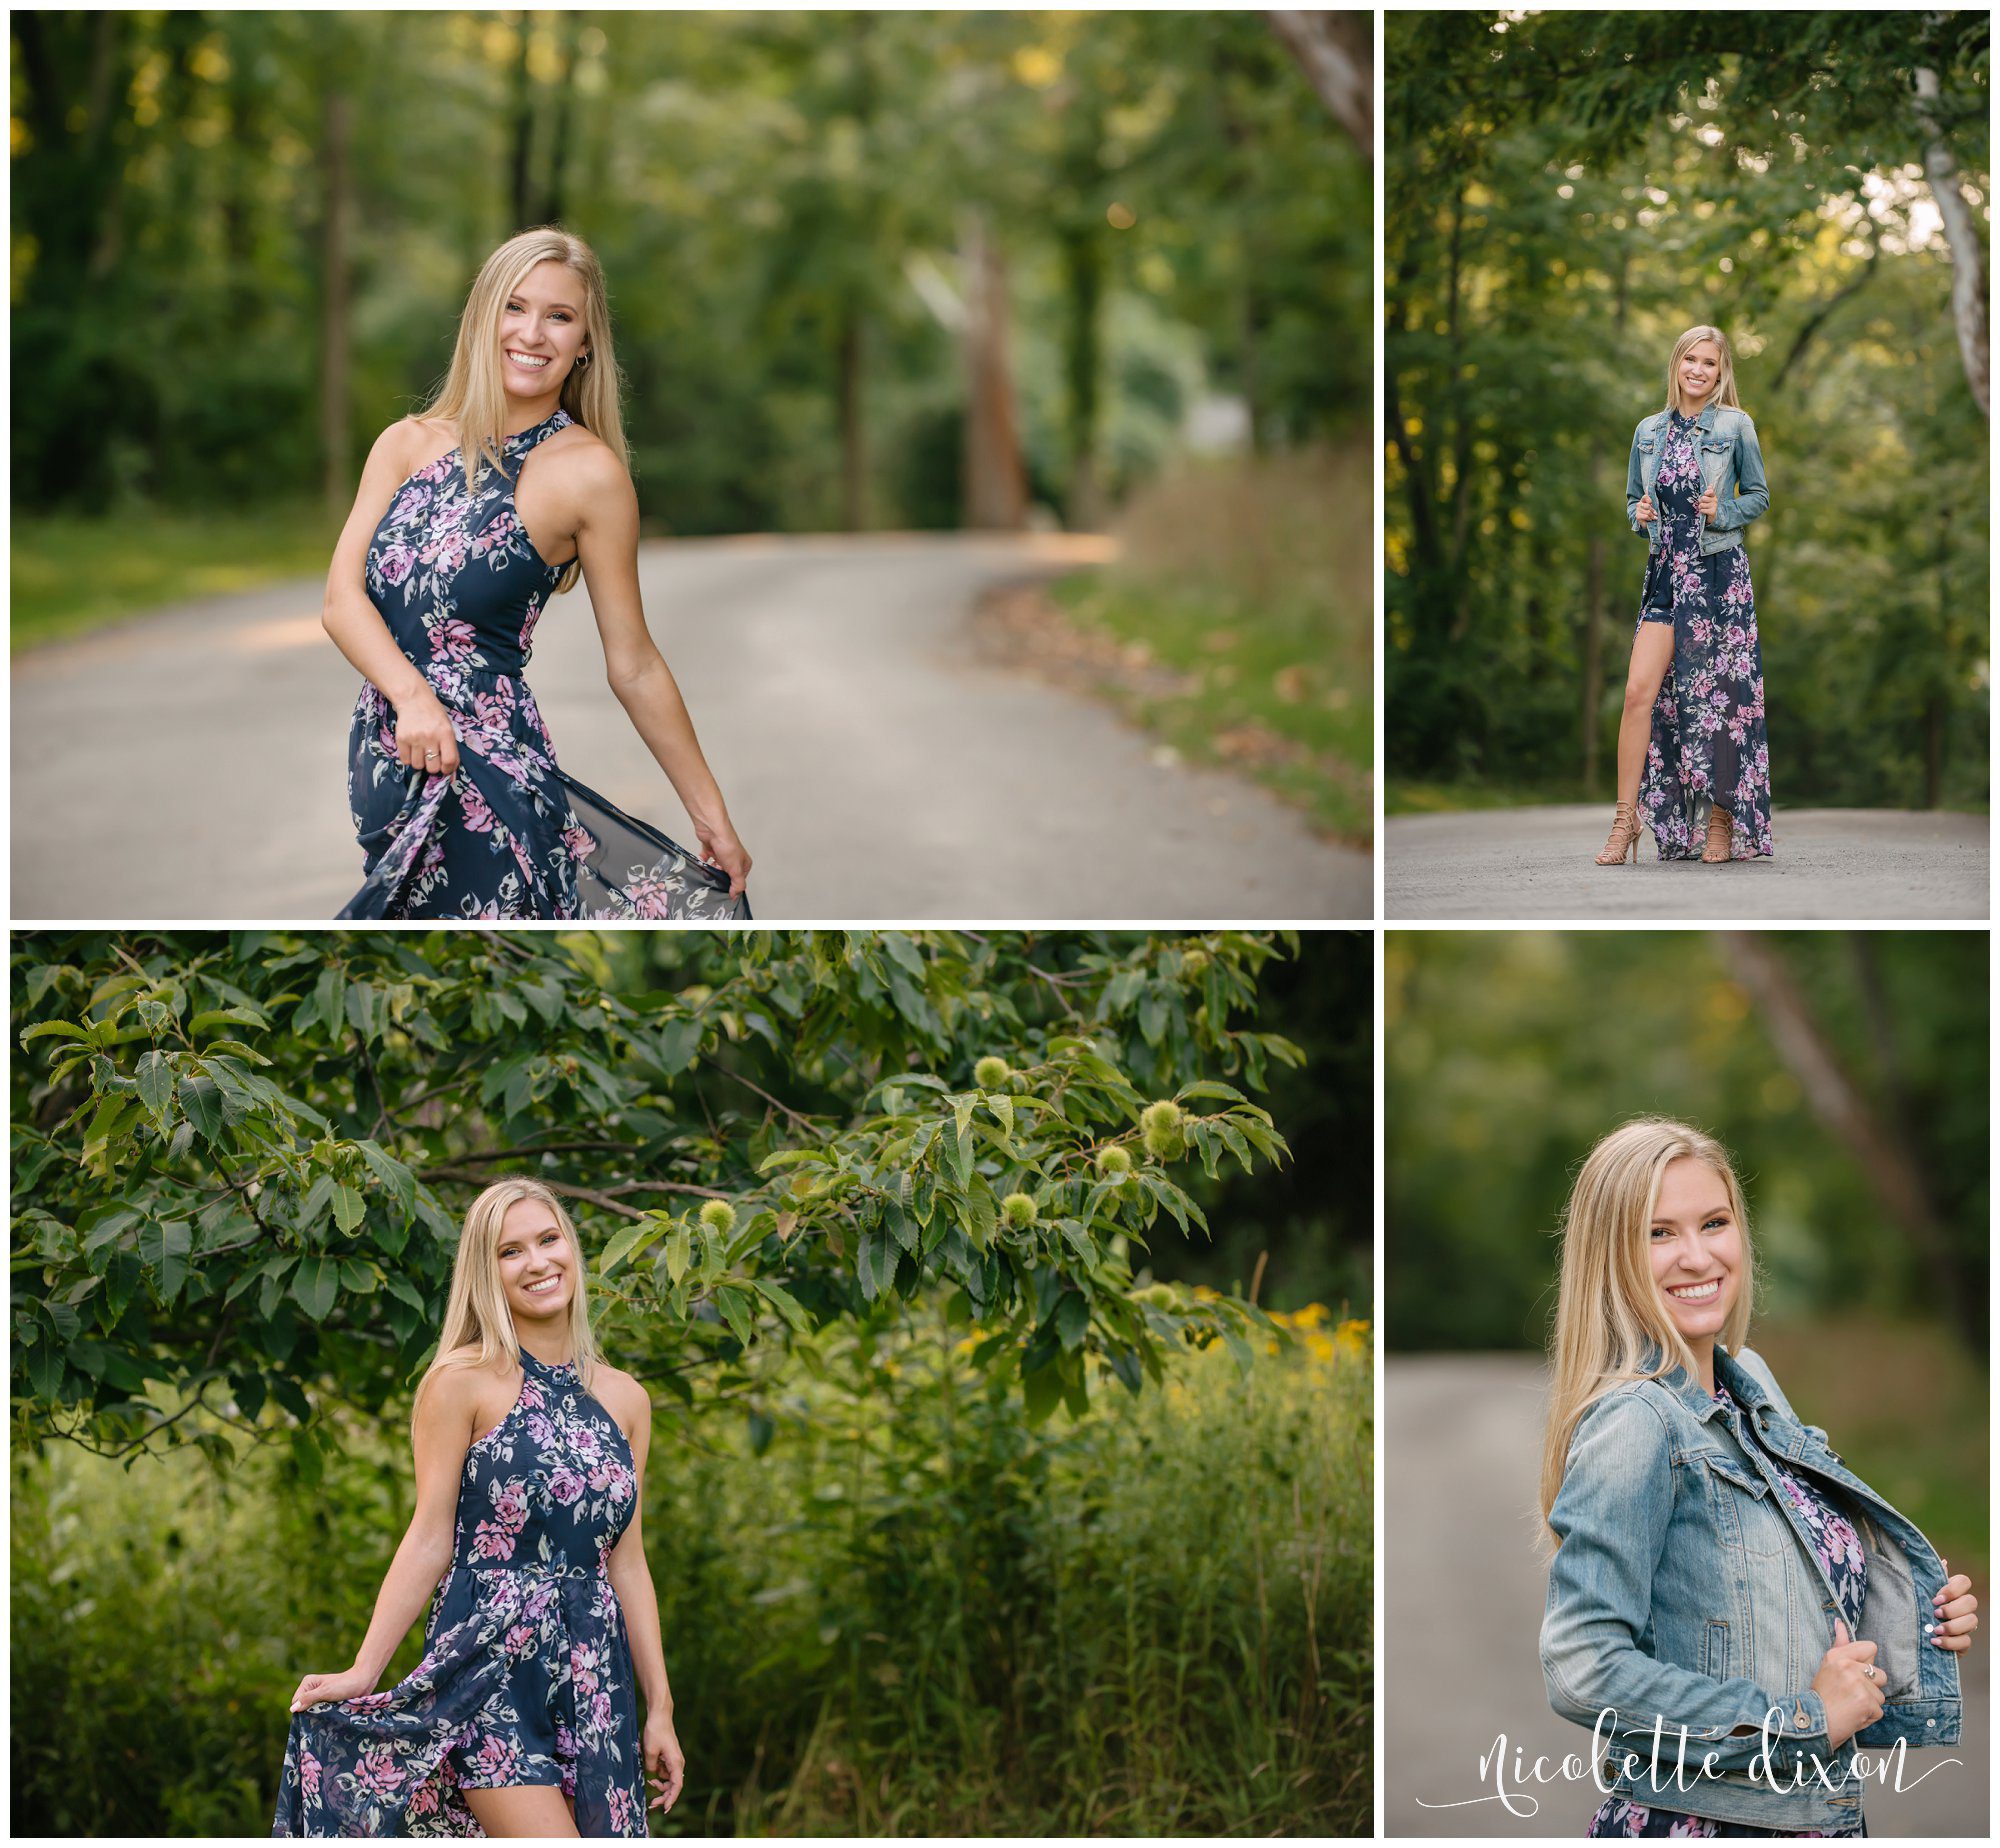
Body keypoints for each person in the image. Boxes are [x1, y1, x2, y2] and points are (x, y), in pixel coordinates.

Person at [1539, 1119, 1975, 1837]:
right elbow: (1582, 1664)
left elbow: (1774, 1609)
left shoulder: (1752, 1391)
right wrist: (1797, 1724)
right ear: (1610, 1257)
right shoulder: (1636, 1422)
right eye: (1658, 1234)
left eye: (1714, 1222)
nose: (1697, 1255)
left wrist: (1919, 1616)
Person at [323, 226, 752, 919]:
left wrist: (711, 816)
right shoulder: (404, 444)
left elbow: (634, 664)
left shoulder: (590, 475)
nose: (534, 333)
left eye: (560, 317)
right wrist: (411, 697)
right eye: (515, 308)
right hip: (392, 756)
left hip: (488, 772)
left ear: (585, 344)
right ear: (483, 319)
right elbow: (342, 601)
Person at [273, 1179, 684, 1837]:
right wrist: (363, 1669)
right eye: (510, 1251)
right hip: (489, 1664)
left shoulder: (626, 1400)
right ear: (485, 1271)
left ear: (572, 1248)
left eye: (549, 1240)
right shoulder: (460, 1382)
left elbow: (627, 1564)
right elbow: (431, 1537)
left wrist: (659, 1706)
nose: (539, 1263)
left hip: (596, 1674)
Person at [1596, 327, 1773, 867]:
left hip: (1719, 574)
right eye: (1690, 360)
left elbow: (1760, 496)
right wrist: (1638, 515)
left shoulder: (1735, 426)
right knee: (1637, 693)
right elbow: (1634, 500)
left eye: (1710, 363)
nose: (1698, 370)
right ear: (1676, 364)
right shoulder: (1648, 431)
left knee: (1721, 704)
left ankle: (1721, 820)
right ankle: (1626, 821)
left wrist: (1723, 511)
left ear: (1721, 374)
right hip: (1667, 575)